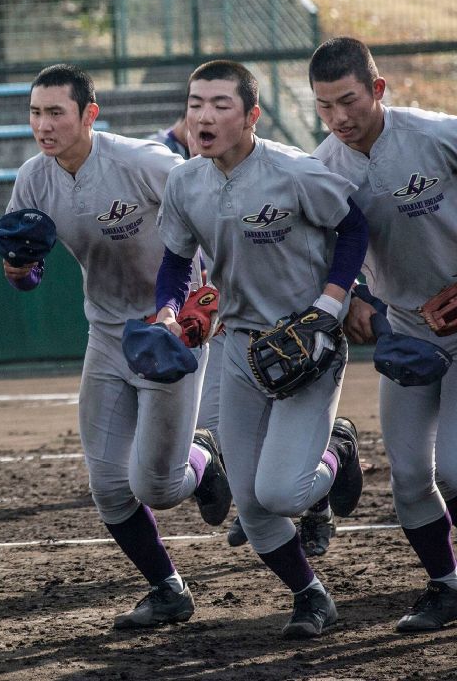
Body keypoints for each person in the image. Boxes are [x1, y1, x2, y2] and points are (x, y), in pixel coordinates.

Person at [3, 64, 228, 630]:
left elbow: (214, 213)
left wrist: (210, 294)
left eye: (56, 112)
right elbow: (30, 274)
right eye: (36, 112)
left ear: (89, 115)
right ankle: (167, 588)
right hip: (105, 335)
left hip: (170, 330)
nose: (43, 124)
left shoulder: (143, 162)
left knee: (158, 486)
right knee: (108, 486)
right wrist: (20, 269)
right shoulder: (34, 178)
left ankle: (206, 456)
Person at [153, 60, 367, 638]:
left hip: (308, 342)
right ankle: (311, 596)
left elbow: (354, 229)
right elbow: (175, 262)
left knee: (282, 491)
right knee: (253, 506)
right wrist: (169, 312)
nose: (204, 115)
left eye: (221, 104)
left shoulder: (295, 171)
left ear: (252, 116)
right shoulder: (183, 181)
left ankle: (339, 449)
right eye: (196, 102)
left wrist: (330, 304)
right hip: (239, 347)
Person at [309, 36, 457, 632]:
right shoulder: (321, 170)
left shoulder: (438, 135)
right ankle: (445, 587)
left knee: (454, 468)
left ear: (378, 88)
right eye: (324, 106)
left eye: (349, 100)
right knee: (410, 476)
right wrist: (358, 304)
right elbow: (330, 256)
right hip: (409, 332)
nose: (340, 118)